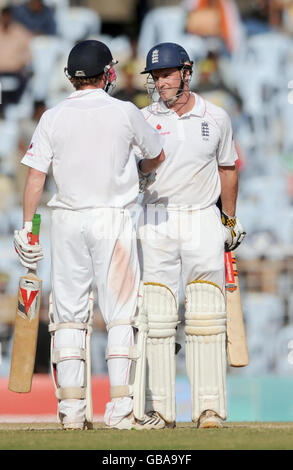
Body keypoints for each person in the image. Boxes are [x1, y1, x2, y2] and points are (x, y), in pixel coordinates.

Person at [13, 39, 165, 430]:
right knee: (119, 316)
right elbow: (157, 155)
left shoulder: (53, 116)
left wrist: (28, 230)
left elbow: (35, 177)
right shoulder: (125, 112)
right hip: (111, 219)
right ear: (107, 74)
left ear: (71, 76)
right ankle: (120, 411)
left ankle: (71, 411)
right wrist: (139, 169)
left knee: (68, 317)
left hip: (66, 222)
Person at [136, 42, 245, 429]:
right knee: (156, 314)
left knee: (206, 312)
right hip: (155, 218)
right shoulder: (141, 117)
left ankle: (209, 408)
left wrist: (228, 220)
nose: (160, 82)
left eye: (166, 73)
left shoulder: (215, 116)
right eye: (155, 76)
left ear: (186, 71)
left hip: (201, 216)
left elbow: (228, 167)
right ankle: (158, 410)